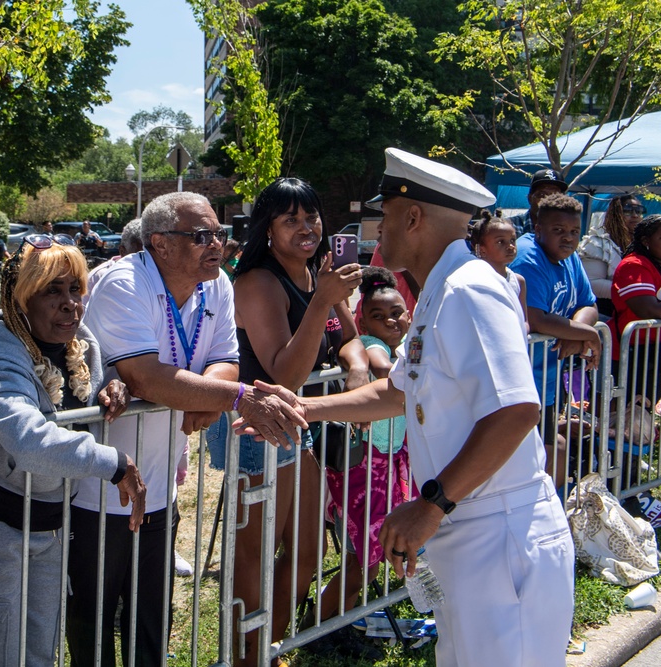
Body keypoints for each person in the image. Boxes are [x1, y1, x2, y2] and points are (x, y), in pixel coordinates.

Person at [240, 148, 575, 667]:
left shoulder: (468, 290)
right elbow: (396, 392)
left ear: (413, 217)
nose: (377, 229)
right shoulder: (440, 291)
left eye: (386, 216)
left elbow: (516, 411)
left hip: (497, 533)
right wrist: (304, 407)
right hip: (471, 531)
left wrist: (431, 504)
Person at [67, 191, 307, 667]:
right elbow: (144, 376)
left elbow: (226, 361)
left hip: (159, 487)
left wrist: (208, 397)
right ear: (160, 244)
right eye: (202, 236)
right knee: (93, 629)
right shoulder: (124, 283)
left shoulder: (215, 283)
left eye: (220, 234)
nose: (216, 244)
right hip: (96, 490)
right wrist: (230, 400)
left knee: (151, 623)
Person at [0, 233, 145, 665]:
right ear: (20, 300)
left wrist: (114, 386)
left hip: (51, 524)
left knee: (39, 647)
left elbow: (98, 377)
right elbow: (28, 439)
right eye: (51, 291)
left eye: (75, 288)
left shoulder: (79, 341)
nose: (70, 302)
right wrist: (113, 462)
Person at [207, 177, 360, 666]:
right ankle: (245, 655)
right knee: (255, 556)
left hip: (295, 425)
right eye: (290, 219)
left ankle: (261, 646)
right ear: (267, 230)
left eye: (311, 216)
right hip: (255, 429)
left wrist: (358, 365)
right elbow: (284, 373)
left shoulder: (319, 274)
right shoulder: (258, 282)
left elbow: (349, 339)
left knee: (309, 554)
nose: (305, 227)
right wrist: (320, 302)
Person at [311, 267, 409, 659]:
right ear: (363, 319)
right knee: (361, 560)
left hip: (388, 464)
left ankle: (344, 616)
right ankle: (320, 624)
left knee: (370, 556)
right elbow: (381, 368)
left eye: (397, 312)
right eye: (379, 315)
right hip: (366, 468)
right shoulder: (372, 346)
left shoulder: (403, 347)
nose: (391, 321)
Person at [510, 193, 599, 488]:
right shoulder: (527, 256)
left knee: (550, 450)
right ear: (538, 229)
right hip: (518, 382)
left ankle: (553, 513)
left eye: (574, 232)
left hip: (547, 379)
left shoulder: (570, 258)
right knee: (526, 459)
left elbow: (589, 305)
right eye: (558, 231)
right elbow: (534, 317)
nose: (568, 238)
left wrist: (576, 331)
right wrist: (583, 333)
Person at [610, 214, 661, 401]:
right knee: (628, 415)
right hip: (631, 353)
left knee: (645, 415)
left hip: (659, 351)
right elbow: (647, 308)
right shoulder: (634, 265)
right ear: (646, 240)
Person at [579, 194, 645, 317]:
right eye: (628, 210)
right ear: (615, 213)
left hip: (630, 314)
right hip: (603, 315)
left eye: (639, 210)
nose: (635, 215)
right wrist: (633, 292)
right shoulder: (597, 242)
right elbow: (592, 283)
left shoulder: (642, 243)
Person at [470, 211, 528, 330]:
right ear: (482, 249)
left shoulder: (518, 281)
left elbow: (524, 321)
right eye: (501, 242)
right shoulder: (472, 281)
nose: (511, 246)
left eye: (512, 240)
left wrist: (520, 332)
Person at [85, 217, 142, 305]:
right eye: (141, 256)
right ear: (122, 251)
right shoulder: (98, 278)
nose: (148, 262)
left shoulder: (162, 278)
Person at [506, 168, 568, 237]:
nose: (548, 200)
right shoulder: (510, 227)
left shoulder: (567, 231)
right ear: (530, 198)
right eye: (542, 195)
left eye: (555, 196)